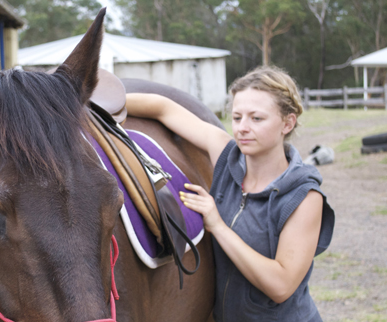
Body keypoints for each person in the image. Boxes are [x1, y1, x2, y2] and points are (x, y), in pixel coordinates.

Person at [125, 65, 335, 322]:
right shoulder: (227, 155)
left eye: (256, 118)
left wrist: (219, 226)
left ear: (287, 123)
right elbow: (163, 108)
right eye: (237, 118)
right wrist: (87, 99)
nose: (242, 128)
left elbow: (281, 286)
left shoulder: (304, 196)